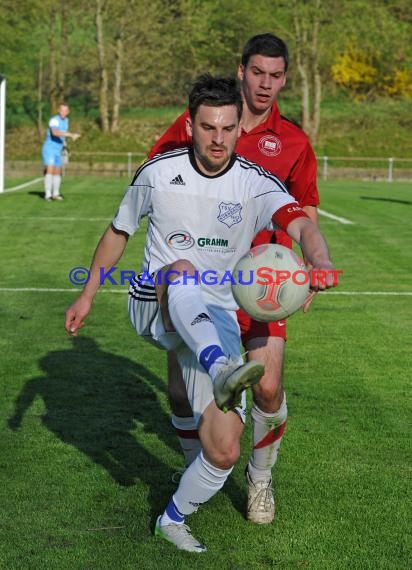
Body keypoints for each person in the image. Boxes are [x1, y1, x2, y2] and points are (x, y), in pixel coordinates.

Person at [65, 73, 336, 552]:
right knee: (183, 268)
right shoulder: (158, 171)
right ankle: (220, 368)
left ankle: (172, 517)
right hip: (155, 300)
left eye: (228, 128)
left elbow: (301, 225)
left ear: (238, 128)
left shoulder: (256, 183)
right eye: (208, 127)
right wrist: (87, 294)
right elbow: (117, 232)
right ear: (190, 125)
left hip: (217, 319)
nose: (218, 138)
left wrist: (320, 260)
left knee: (226, 448)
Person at [148, 33, 320, 524]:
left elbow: (305, 205)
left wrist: (308, 267)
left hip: (265, 285)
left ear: (285, 78)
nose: (266, 84)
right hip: (199, 284)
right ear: (241, 71)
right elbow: (157, 175)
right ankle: (193, 468)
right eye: (258, 72)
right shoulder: (204, 123)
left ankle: (260, 479)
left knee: (267, 388)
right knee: (182, 392)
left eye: (276, 75)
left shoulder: (293, 142)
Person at [42, 103, 80, 201]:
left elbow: (62, 136)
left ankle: (56, 193)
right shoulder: (54, 120)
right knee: (50, 170)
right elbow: (55, 133)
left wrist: (65, 147)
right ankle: (48, 194)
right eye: (62, 110)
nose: (63, 112)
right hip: (49, 149)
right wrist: (70, 135)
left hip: (58, 150)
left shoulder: (66, 120)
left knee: (58, 171)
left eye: (65, 110)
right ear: (58, 110)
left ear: (68, 112)